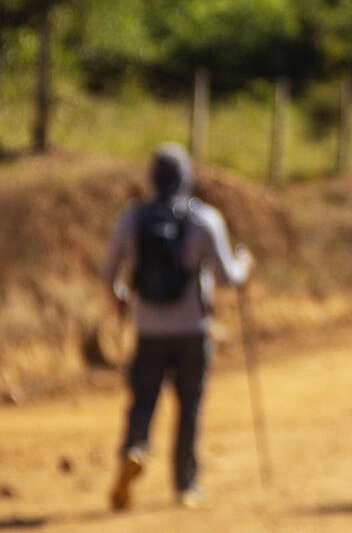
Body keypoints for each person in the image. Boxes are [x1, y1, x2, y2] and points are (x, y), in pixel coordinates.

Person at [100, 143, 253, 511]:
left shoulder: (131, 219)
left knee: (142, 401)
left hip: (147, 328)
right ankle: (185, 485)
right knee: (190, 406)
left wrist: (120, 300)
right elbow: (227, 277)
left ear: (152, 177)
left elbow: (108, 274)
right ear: (186, 177)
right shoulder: (203, 219)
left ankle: (134, 449)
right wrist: (246, 263)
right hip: (192, 330)